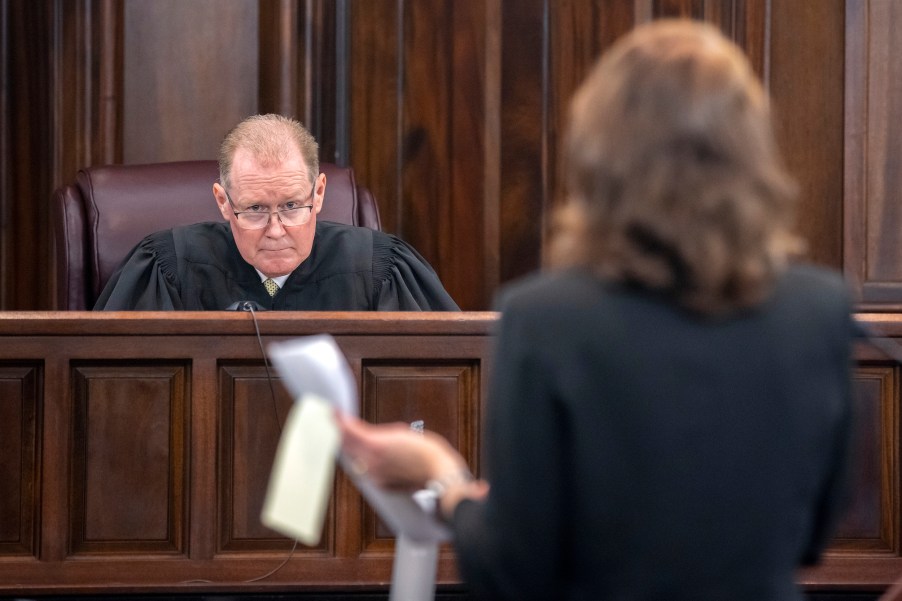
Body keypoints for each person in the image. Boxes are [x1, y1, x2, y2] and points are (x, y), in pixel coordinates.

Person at [338, 19, 855, 600]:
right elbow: (811, 537)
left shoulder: (547, 318)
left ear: (596, 157)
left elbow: (511, 566)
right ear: (754, 152)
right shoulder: (819, 310)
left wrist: (444, 477)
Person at [94, 114, 459, 311]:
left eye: (290, 206)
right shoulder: (167, 267)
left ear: (318, 194)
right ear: (223, 202)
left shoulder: (382, 270)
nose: (276, 229)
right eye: (255, 209)